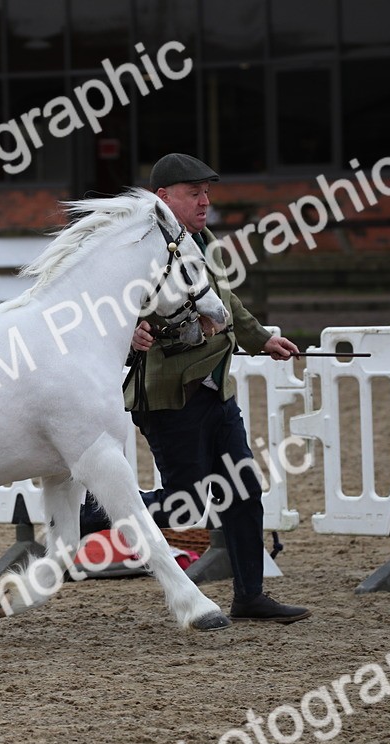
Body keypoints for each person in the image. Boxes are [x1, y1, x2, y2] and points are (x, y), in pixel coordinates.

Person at [81, 153, 311, 624]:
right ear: (163, 198)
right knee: (184, 505)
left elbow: (226, 301)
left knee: (244, 490)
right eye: (194, 194)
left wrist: (261, 339)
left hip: (216, 390)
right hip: (170, 396)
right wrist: (127, 329)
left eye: (207, 192)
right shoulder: (135, 249)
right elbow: (94, 304)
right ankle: (92, 515)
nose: (205, 202)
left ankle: (250, 596)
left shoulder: (205, 242)